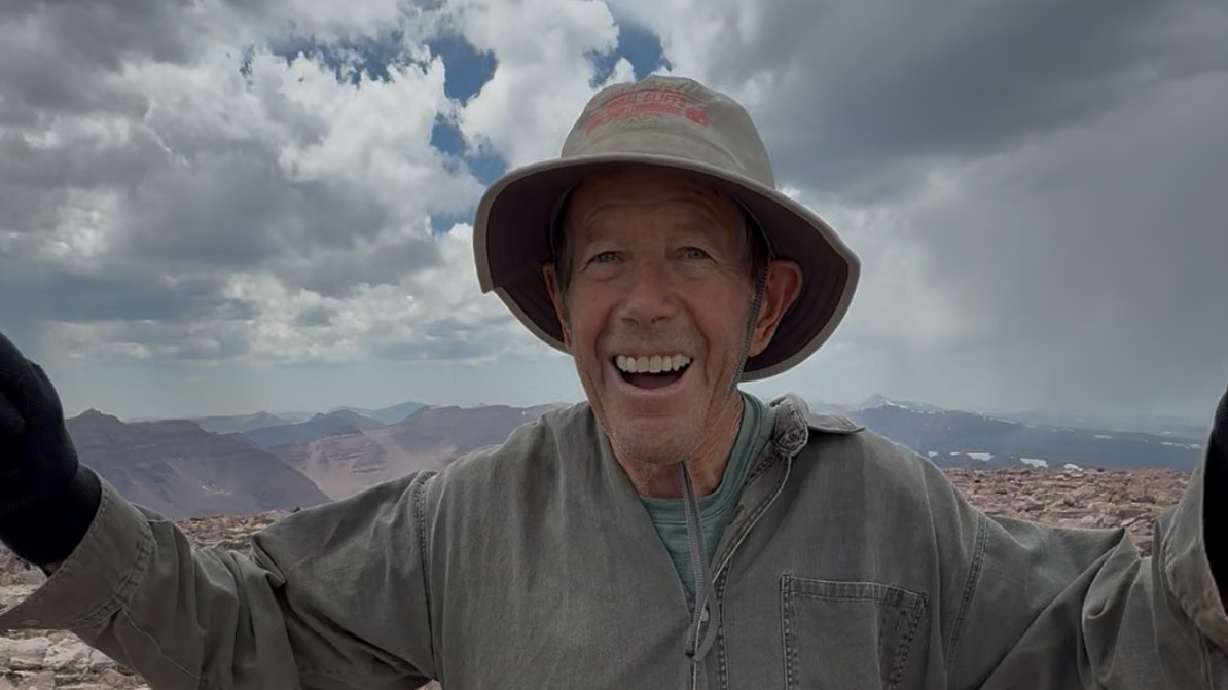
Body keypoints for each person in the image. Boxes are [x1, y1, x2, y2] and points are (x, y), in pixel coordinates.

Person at [0, 75, 1225, 690]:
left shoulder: (894, 507)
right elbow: (254, 634)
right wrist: (65, 517)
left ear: (766, 301)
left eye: (691, 253)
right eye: (604, 262)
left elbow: (1093, 637)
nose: (645, 301)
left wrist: (1217, 551)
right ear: (563, 303)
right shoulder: (466, 519)